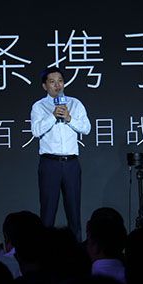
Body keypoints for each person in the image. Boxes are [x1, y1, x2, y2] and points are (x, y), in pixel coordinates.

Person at [30, 67, 91, 240]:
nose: (57, 85)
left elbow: (86, 128)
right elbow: (36, 131)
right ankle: (45, 251)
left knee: (74, 211)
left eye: (60, 81)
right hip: (50, 163)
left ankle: (77, 248)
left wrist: (69, 118)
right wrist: (53, 116)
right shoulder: (39, 106)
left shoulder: (75, 104)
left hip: (71, 163)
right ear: (45, 86)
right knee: (48, 212)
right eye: (52, 82)